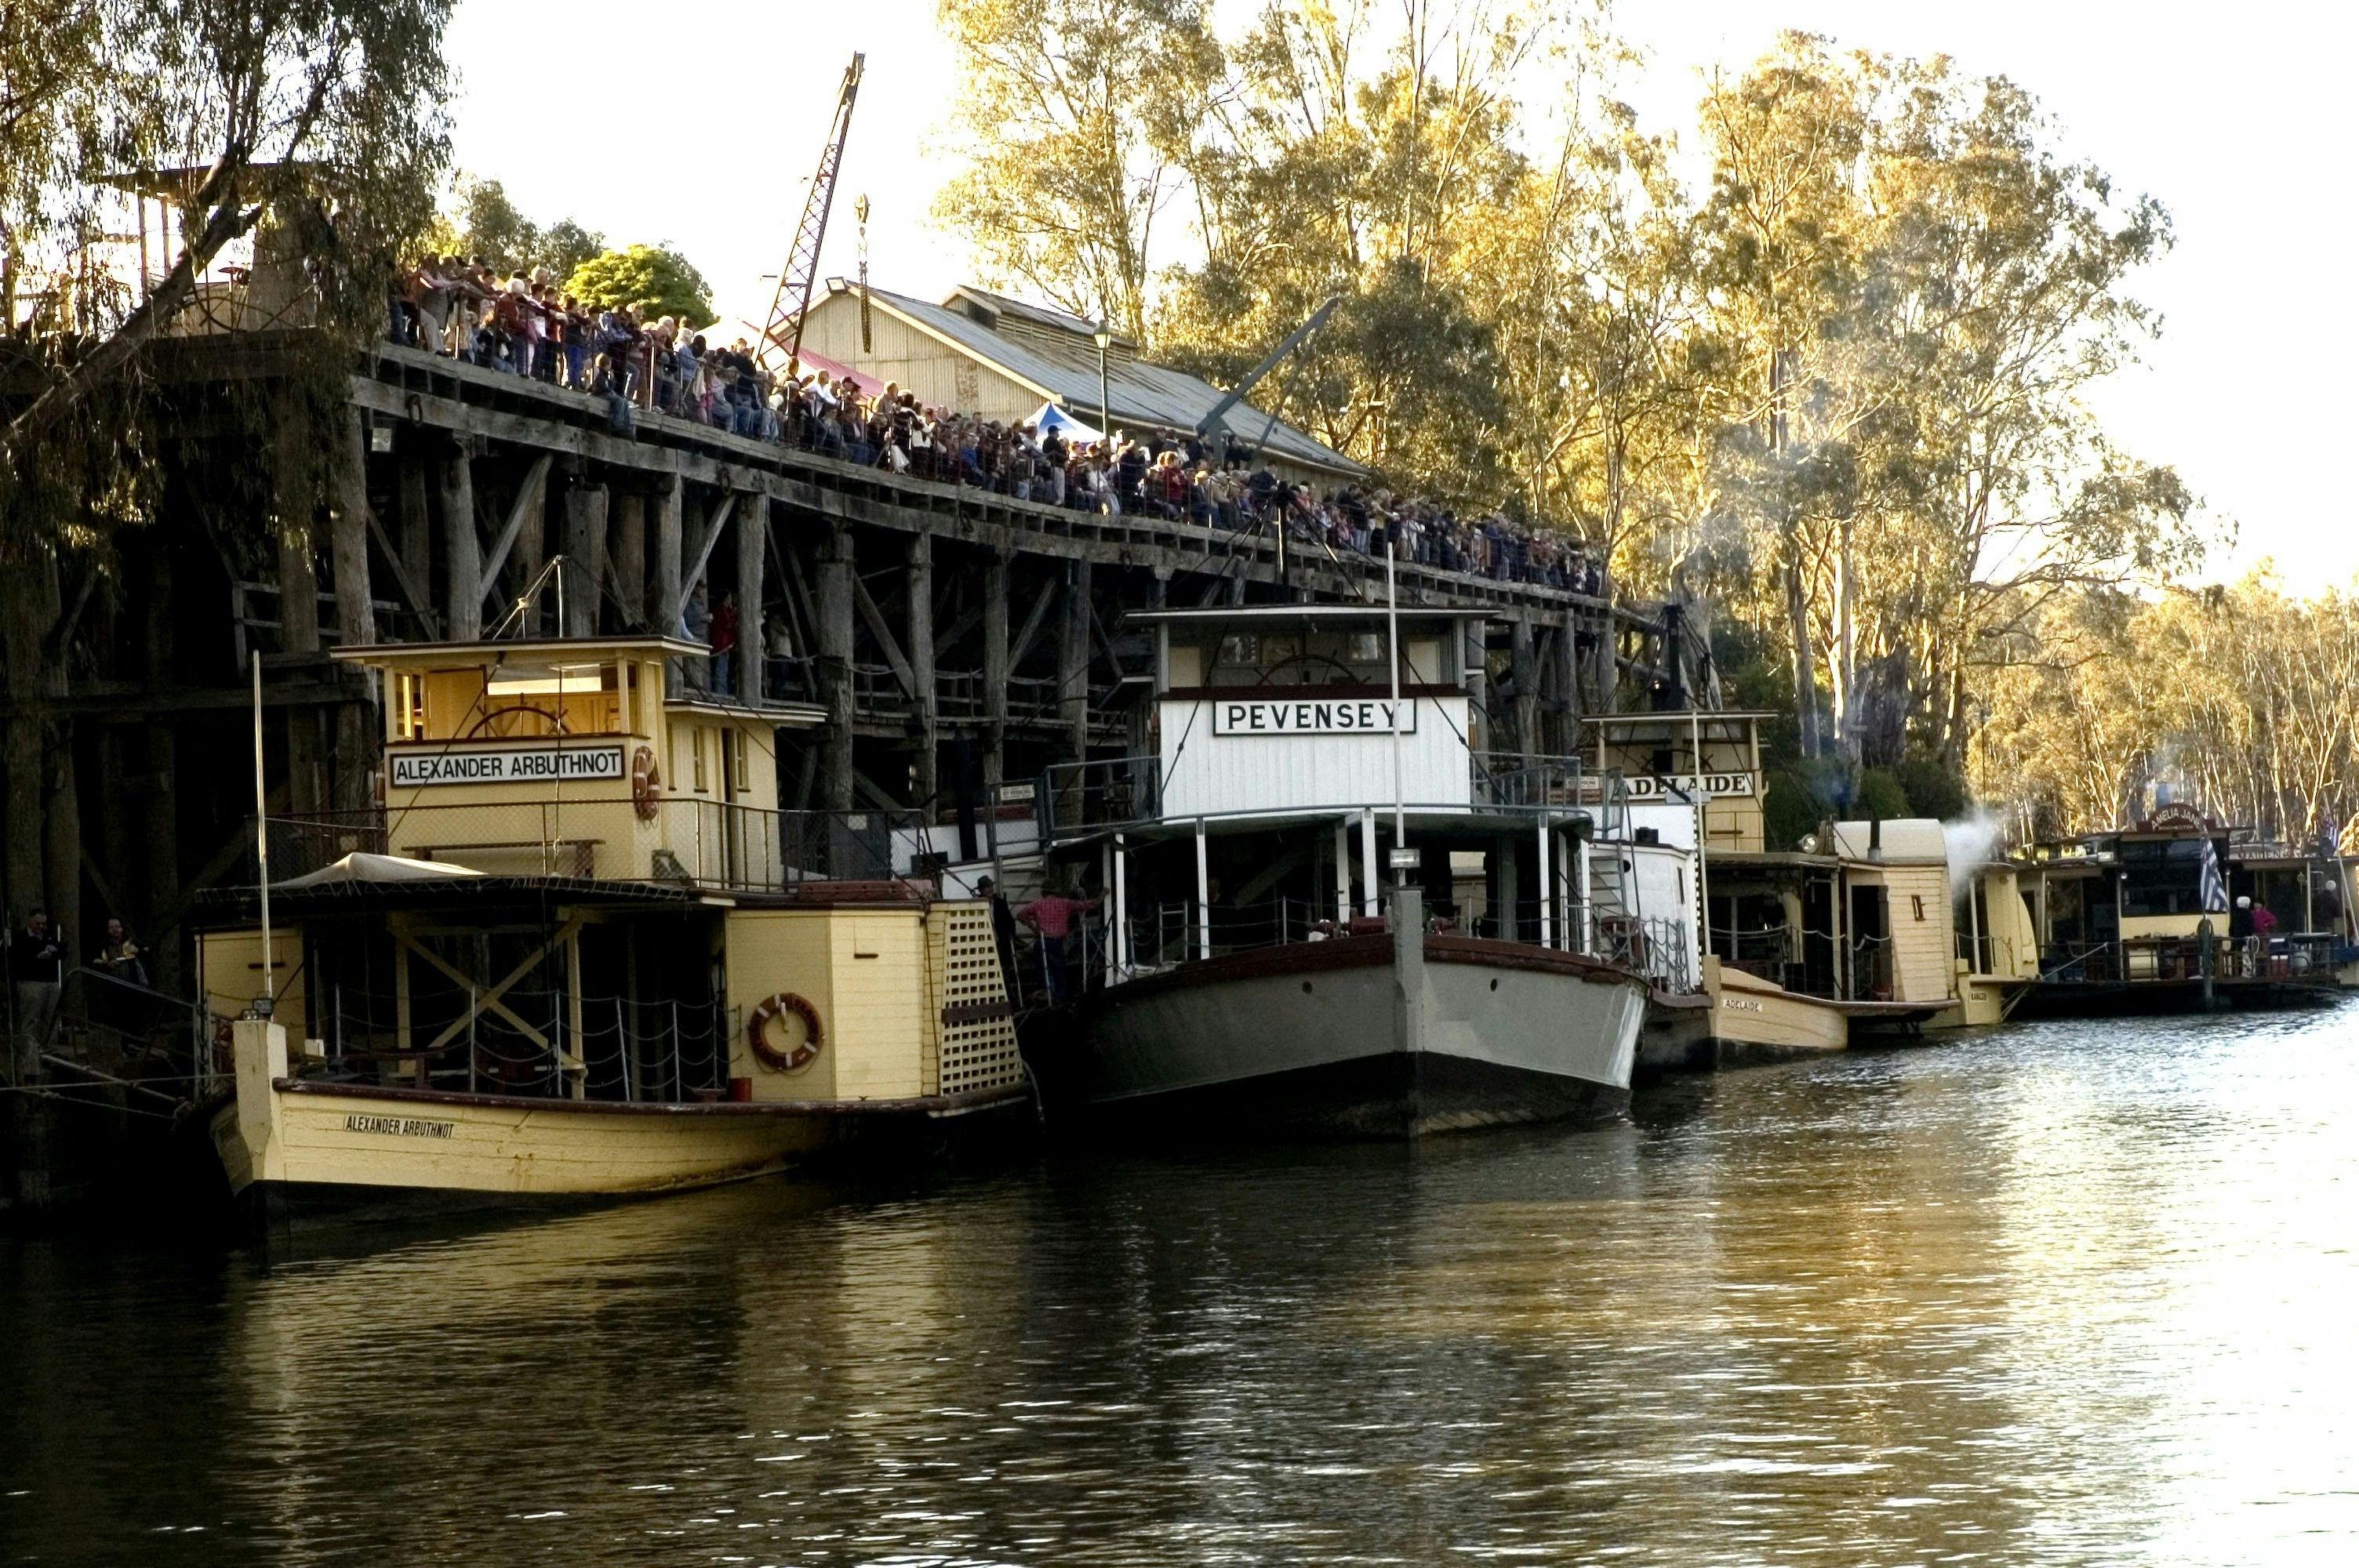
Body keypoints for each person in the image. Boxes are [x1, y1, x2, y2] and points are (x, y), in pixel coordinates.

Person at [1017, 878, 1100, 1006]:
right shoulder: (1065, 903)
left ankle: (1046, 998)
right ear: (1056, 892)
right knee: (1058, 972)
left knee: (1044, 971)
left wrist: (1034, 928)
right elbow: (1086, 905)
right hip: (1056, 943)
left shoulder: (1037, 904)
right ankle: (1060, 1001)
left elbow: (1021, 915)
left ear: (1043, 892)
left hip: (1042, 942)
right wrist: (1102, 896)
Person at [976, 876, 1020, 996]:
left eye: (991, 886)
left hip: (1001, 944)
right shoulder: (976, 905)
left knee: (1003, 971)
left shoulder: (1001, 903)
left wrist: (1012, 936)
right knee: (989, 972)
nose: (990, 889)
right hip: (985, 946)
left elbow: (1010, 922)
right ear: (981, 891)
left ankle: (1007, 996)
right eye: (987, 887)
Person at [96, 917, 146, 990]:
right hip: (114, 987)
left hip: (134, 986)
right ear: (107, 930)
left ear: (122, 928)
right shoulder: (104, 947)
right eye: (111, 927)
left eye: (117, 927)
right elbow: (98, 962)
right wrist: (107, 965)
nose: (115, 930)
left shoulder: (131, 942)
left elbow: (146, 951)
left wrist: (138, 951)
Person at [710, 591, 738, 697]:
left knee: (724, 670)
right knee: (721, 670)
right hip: (722, 643)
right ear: (725, 599)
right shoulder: (721, 610)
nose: (731, 600)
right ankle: (721, 694)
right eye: (729, 597)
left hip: (725, 644)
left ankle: (723, 692)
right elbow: (728, 624)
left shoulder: (725, 610)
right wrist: (734, 614)